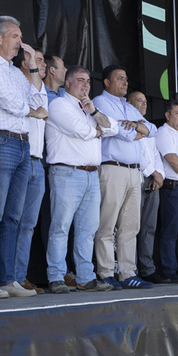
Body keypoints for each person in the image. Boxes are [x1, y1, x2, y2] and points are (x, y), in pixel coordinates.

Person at [0, 16, 46, 299]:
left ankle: (7, 279)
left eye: (21, 35)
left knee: (13, 217)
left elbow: (40, 101)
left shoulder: (18, 72)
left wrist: (34, 66)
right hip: (0, 140)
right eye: (15, 36)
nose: (20, 41)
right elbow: (12, 103)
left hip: (23, 144)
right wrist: (32, 110)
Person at [44, 66, 118, 293]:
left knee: (88, 229)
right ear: (67, 83)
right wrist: (97, 129)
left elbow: (113, 128)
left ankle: (85, 277)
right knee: (61, 226)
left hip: (91, 174)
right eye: (80, 80)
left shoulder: (88, 109)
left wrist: (95, 113)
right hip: (67, 172)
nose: (85, 85)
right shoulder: (58, 104)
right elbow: (81, 131)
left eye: (87, 81)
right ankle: (56, 276)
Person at [92, 66, 156, 290]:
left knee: (131, 226)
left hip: (134, 171)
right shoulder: (100, 101)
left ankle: (127, 273)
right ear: (107, 82)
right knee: (107, 224)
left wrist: (137, 126)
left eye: (126, 78)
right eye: (120, 78)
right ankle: (106, 273)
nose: (125, 82)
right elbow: (120, 130)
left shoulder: (129, 107)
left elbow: (153, 129)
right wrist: (136, 131)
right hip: (112, 168)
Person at [14, 48, 49, 294]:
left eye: (43, 60)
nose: (42, 64)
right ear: (25, 64)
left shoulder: (40, 88)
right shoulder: (15, 82)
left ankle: (19, 275)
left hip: (38, 161)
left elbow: (42, 110)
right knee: (11, 220)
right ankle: (6, 276)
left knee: (28, 225)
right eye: (37, 61)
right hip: (19, 157)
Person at [128, 91, 163, 284]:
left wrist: (158, 175)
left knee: (149, 227)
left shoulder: (149, 127)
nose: (143, 104)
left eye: (145, 100)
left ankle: (148, 268)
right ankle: (130, 268)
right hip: (138, 177)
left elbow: (155, 153)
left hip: (153, 181)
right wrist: (153, 172)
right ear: (129, 103)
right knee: (131, 226)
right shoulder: (128, 123)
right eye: (138, 100)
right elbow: (138, 153)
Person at [156, 100, 178, 284]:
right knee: (171, 231)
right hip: (174, 187)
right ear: (167, 115)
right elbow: (172, 159)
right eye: (177, 113)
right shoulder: (163, 132)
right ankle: (168, 270)